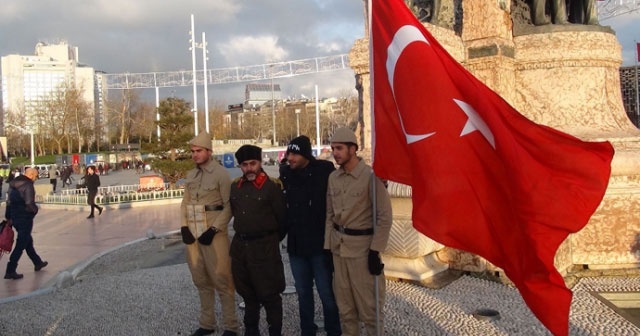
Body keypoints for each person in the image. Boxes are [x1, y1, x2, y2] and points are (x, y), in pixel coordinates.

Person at [324, 127, 392, 335]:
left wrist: (375, 250)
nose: (335, 153)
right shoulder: (333, 178)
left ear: (353, 149)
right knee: (345, 310)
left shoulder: (372, 177)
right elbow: (330, 215)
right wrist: (328, 247)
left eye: (339, 148)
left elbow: (384, 217)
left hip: (362, 252)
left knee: (370, 310)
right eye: (333, 148)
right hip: (339, 250)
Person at [279, 135, 341, 336]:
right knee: (303, 292)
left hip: (320, 246)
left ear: (305, 154)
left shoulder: (324, 171)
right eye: (289, 153)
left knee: (326, 292)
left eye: (295, 154)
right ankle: (307, 330)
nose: (291, 158)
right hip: (296, 246)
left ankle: (334, 329)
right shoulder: (286, 173)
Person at [180, 132, 239, 336]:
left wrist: (215, 229)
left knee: (222, 280)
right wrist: (183, 227)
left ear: (209, 151)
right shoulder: (191, 175)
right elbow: (185, 202)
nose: (195, 155)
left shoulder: (221, 174)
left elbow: (229, 205)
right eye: (193, 151)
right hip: (193, 233)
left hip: (213, 233)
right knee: (201, 280)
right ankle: (207, 324)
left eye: (199, 151)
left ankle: (231, 326)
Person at [229, 145, 286, 336]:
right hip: (241, 248)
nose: (249, 168)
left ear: (260, 163)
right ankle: (251, 330)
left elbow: (282, 221)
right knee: (248, 293)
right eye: (244, 165)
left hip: (264, 248)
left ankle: (275, 331)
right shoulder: (235, 187)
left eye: (253, 163)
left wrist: (268, 241)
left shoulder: (271, 187)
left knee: (270, 295)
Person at [4, 168, 48, 280]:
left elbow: (8, 202)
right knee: (21, 244)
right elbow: (29, 203)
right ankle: (10, 270)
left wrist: (8, 216)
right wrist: (35, 210)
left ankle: (37, 262)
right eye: (36, 176)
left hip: (15, 218)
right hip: (25, 218)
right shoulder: (28, 185)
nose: (36, 178)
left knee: (28, 241)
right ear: (31, 175)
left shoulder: (13, 184)